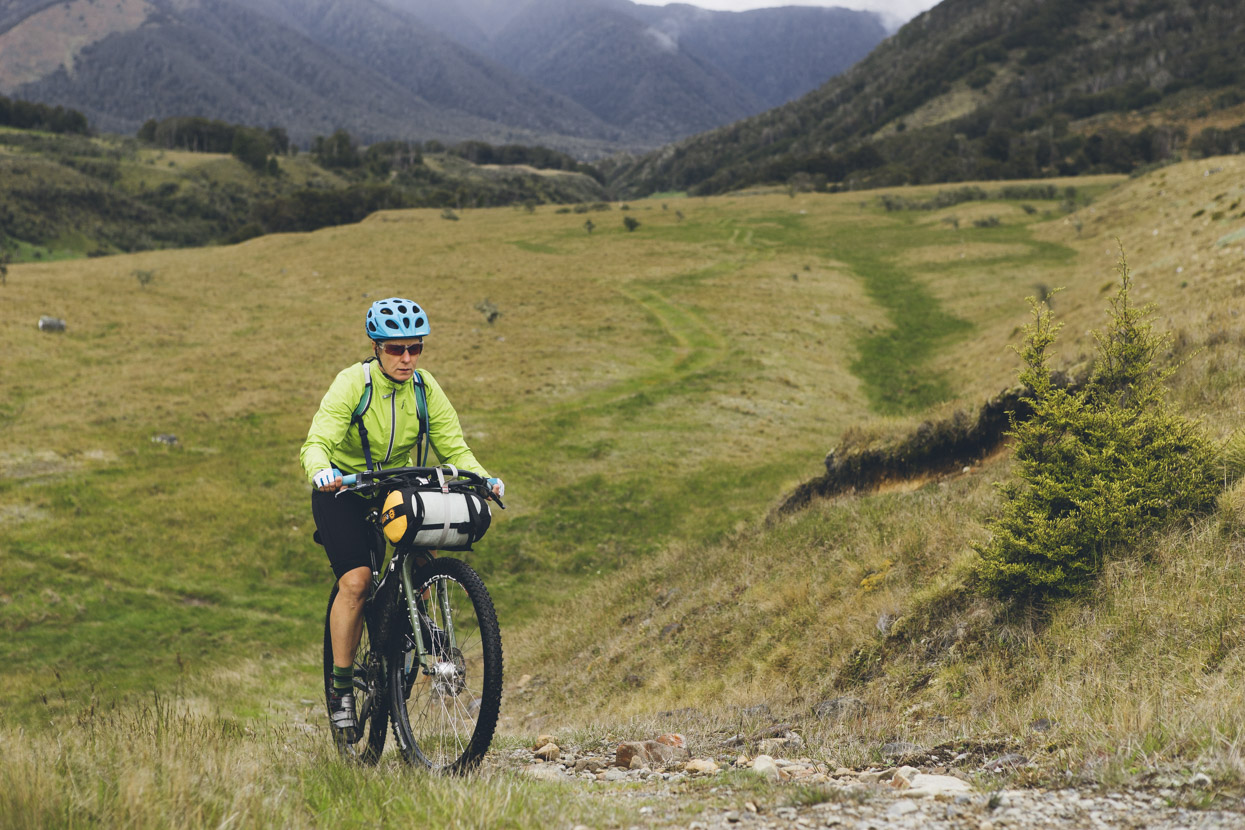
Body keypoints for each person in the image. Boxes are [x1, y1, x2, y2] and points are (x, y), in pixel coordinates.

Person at [300, 297, 503, 742]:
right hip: (344, 491)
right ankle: (340, 691)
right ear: (376, 347)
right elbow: (317, 440)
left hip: (397, 487)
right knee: (355, 582)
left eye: (415, 348)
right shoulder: (354, 384)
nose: (407, 358)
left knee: (428, 558)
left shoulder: (425, 389)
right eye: (396, 349)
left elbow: (455, 447)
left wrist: (485, 478)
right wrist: (322, 470)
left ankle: (408, 634)